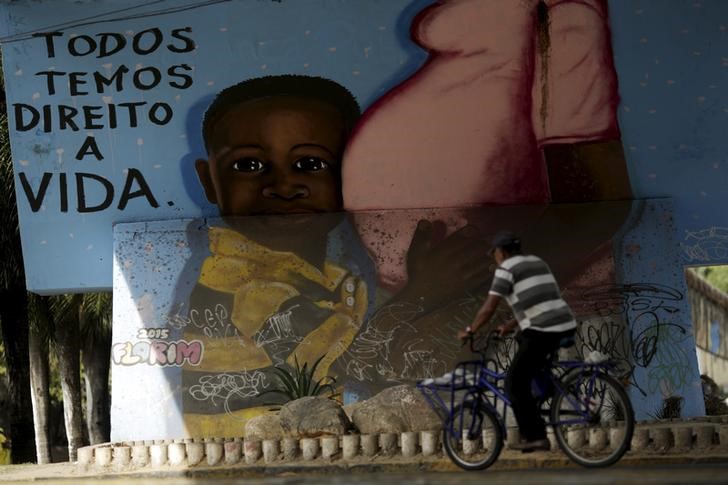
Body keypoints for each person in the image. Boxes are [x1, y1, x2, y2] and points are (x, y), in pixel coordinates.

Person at [457, 230, 577, 452]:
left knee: (514, 383)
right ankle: (546, 389)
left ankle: (535, 436)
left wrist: (470, 329)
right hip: (565, 325)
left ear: (501, 252)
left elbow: (489, 307)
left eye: (494, 253)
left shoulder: (506, 269)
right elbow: (538, 302)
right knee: (524, 343)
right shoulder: (537, 262)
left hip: (543, 331)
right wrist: (510, 326)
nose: (495, 257)